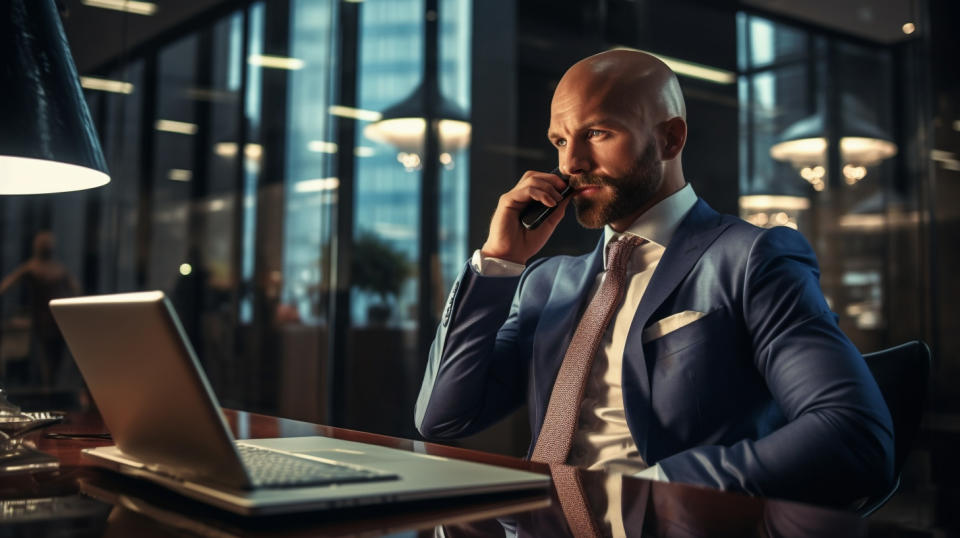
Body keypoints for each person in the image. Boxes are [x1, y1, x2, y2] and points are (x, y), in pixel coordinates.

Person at [414, 49, 894, 506]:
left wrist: (661, 486)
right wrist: (498, 261)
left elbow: (851, 433)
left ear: (671, 138)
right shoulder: (545, 283)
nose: (569, 163)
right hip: (540, 522)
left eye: (597, 133)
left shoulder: (750, 258)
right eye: (560, 141)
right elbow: (442, 419)